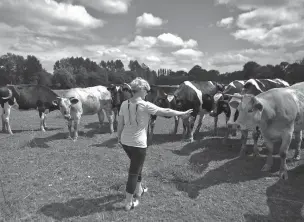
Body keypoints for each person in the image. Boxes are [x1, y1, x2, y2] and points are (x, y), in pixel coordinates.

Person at [117, 77, 193, 211]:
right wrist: (182, 113)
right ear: (141, 90)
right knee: (134, 171)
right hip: (138, 143)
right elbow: (167, 111)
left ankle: (139, 190)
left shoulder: (124, 104)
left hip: (125, 142)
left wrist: (119, 138)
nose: (148, 92)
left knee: (137, 165)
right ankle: (129, 203)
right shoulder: (145, 105)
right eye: (147, 90)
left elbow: (120, 123)